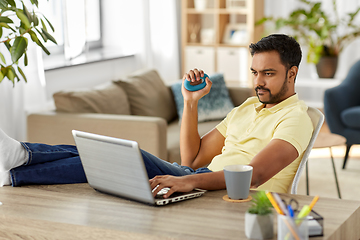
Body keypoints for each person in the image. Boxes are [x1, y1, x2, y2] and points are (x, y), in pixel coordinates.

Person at [0, 34, 313, 198]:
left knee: (123, 159)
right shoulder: (246, 107)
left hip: (228, 196)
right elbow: (192, 158)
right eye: (255, 72)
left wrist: (188, 182)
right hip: (201, 178)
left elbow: (252, 177)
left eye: (268, 73)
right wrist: (191, 103)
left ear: (292, 73)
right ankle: (19, 164)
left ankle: (22, 161)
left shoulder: (296, 118)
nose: (258, 81)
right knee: (110, 155)